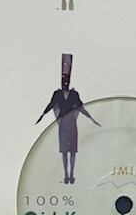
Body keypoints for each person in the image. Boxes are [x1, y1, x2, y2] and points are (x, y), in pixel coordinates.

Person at [35, 54, 100, 185]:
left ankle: (71, 175)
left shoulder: (74, 94)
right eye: (63, 79)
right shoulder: (57, 94)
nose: (65, 82)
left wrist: (91, 118)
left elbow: (81, 107)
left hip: (71, 124)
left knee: (73, 151)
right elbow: (51, 105)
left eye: (67, 79)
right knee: (64, 151)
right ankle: (66, 175)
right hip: (63, 125)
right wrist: (42, 114)